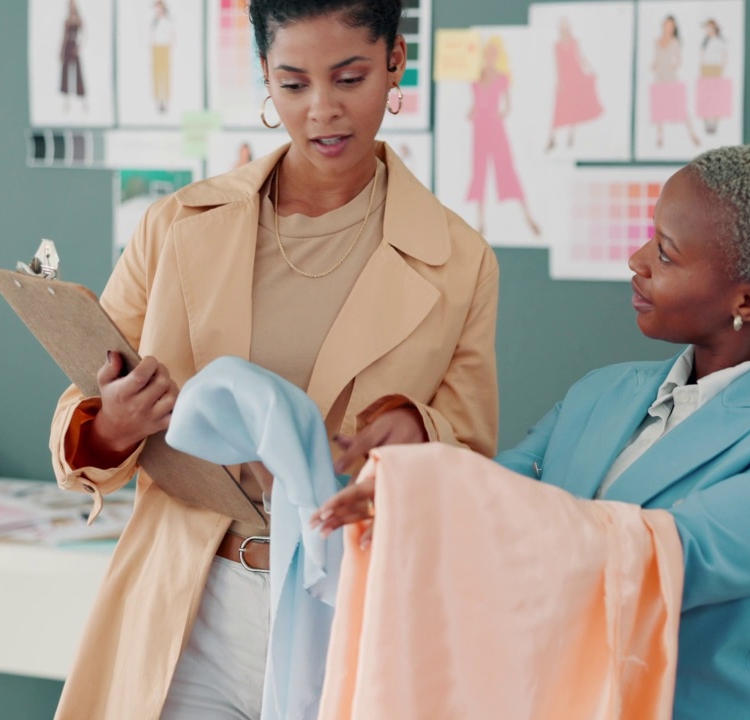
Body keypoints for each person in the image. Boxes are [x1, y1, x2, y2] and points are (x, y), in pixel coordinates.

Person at [315, 144, 750, 720]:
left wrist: (440, 495)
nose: (636, 260)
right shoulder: (602, 392)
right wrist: (410, 493)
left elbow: (671, 556)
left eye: (665, 253)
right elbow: (499, 486)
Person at [47, 0, 500, 717]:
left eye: (349, 77)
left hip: (347, 603)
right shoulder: (178, 224)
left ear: (394, 63)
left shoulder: (459, 259)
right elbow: (84, 410)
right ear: (264, 76)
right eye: (293, 84)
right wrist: (113, 426)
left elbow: (470, 450)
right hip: (191, 605)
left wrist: (414, 433)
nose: (323, 110)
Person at [466, 34, 540, 237]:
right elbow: (474, 104)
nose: (490, 57)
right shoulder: (477, 77)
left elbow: (507, 106)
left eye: (493, 54)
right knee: (479, 172)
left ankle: (528, 217)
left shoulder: (501, 77)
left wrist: (495, 113)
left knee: (506, 168)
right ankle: (480, 225)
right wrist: (473, 113)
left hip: (495, 127)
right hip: (480, 128)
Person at [545, 16, 603, 152]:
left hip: (576, 77)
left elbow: (581, 57)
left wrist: (591, 69)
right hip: (565, 79)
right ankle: (552, 138)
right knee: (559, 108)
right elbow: (557, 64)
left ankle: (571, 136)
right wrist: (559, 81)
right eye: (562, 25)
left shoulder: (574, 42)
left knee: (574, 107)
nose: (564, 28)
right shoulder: (557, 45)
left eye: (566, 25)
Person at [649, 15, 697, 148]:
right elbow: (656, 59)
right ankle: (659, 137)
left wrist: (674, 66)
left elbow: (679, 59)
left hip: (670, 77)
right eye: (666, 25)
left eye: (671, 26)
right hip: (659, 77)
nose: (668, 28)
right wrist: (653, 66)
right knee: (659, 109)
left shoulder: (675, 42)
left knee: (680, 106)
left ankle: (692, 134)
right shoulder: (657, 42)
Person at [696, 19, 731, 135]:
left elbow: (724, 57)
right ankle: (706, 123)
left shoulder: (720, 42)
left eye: (709, 27)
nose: (707, 30)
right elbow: (702, 57)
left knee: (716, 97)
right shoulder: (705, 43)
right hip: (706, 70)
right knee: (706, 97)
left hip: (716, 70)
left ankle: (715, 123)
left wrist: (720, 69)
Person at [59, 0, 87, 113]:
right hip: (67, 46)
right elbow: (64, 36)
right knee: (66, 73)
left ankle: (83, 101)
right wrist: (61, 51)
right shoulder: (67, 21)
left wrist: (80, 47)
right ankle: (66, 102)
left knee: (78, 72)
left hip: (74, 46)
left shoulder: (78, 20)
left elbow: (84, 34)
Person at [151, 0, 174, 113]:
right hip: (156, 49)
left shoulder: (167, 21)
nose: (156, 10)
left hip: (164, 48)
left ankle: (165, 100)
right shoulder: (155, 21)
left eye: (158, 8)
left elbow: (171, 36)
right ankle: (158, 101)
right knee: (156, 76)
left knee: (164, 76)